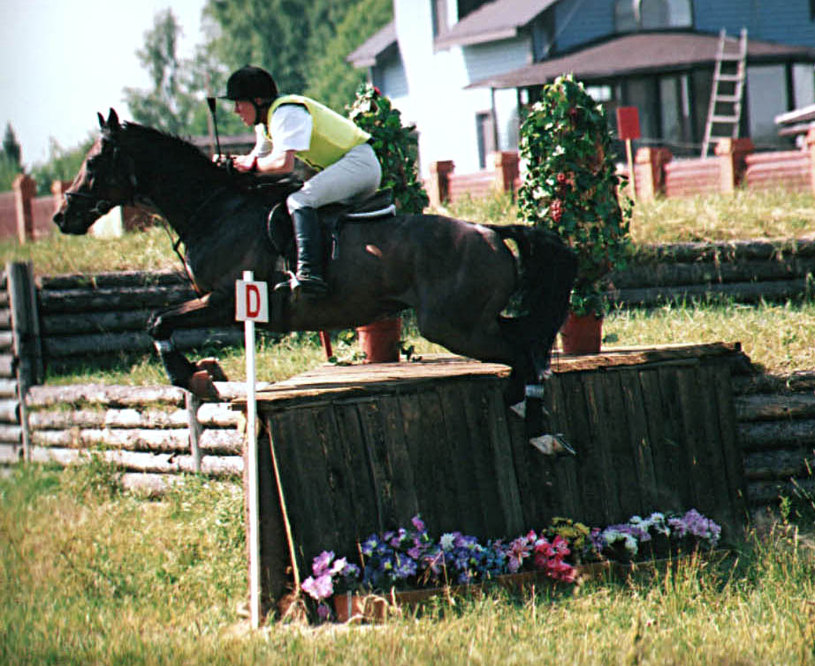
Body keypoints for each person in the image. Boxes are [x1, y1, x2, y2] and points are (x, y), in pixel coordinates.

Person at [222, 65, 382, 295]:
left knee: (299, 200)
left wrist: (251, 165)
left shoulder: (286, 113)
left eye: (238, 102)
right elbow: (256, 158)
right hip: (351, 165)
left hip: (359, 165)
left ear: (258, 100)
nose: (236, 110)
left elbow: (283, 165)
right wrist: (230, 163)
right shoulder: (265, 124)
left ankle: (309, 272)